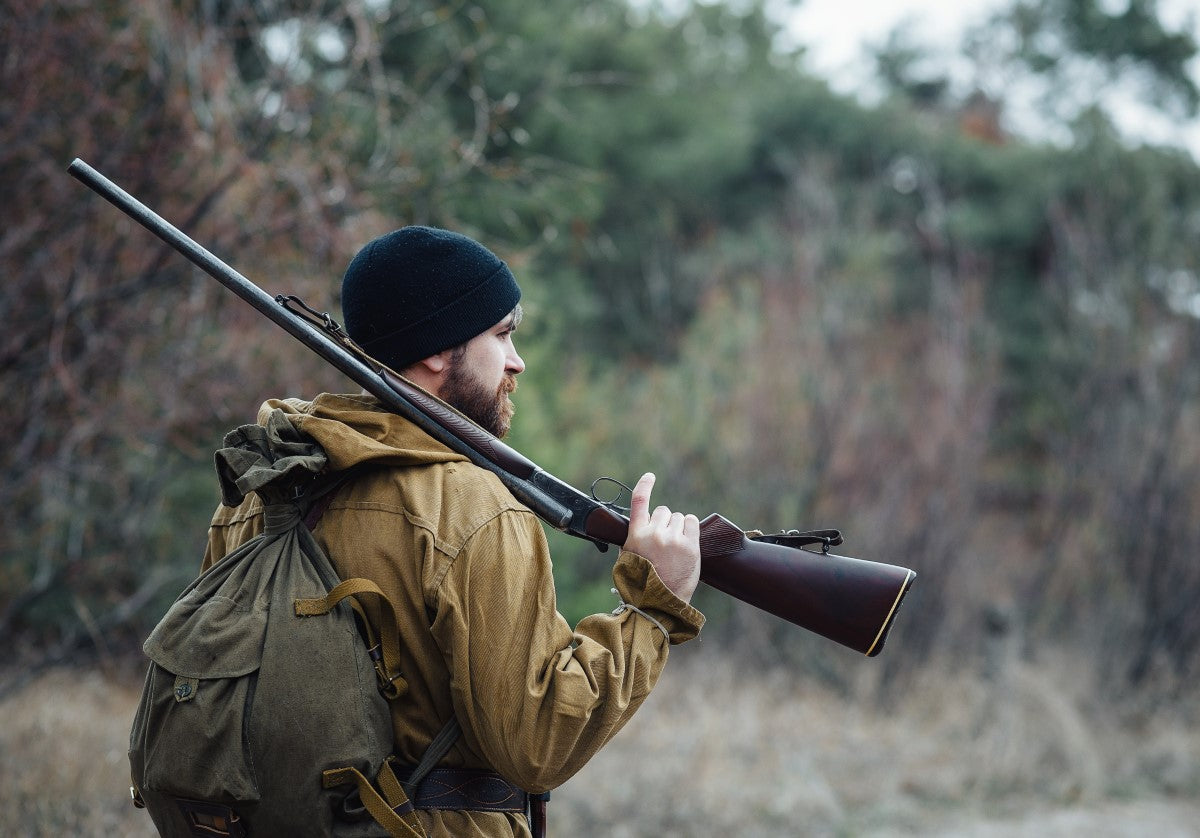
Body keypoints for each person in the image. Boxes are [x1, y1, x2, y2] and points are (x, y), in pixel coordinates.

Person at [202, 226, 705, 837]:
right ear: (438, 350)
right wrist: (653, 610)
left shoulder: (263, 486)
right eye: (501, 335)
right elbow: (538, 742)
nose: (517, 361)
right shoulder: (473, 507)